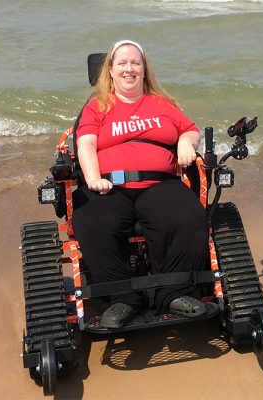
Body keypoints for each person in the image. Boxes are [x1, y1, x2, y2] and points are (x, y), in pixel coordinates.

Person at [72, 40, 209, 329]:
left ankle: (173, 292)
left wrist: (186, 142)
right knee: (91, 219)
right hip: (110, 185)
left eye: (135, 62)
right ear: (110, 70)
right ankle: (122, 298)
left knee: (190, 215)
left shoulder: (162, 103)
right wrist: (93, 178)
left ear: (145, 69)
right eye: (122, 63)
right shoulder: (97, 106)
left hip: (160, 183)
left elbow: (190, 129)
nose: (129, 68)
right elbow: (86, 144)